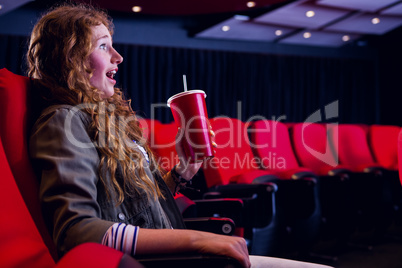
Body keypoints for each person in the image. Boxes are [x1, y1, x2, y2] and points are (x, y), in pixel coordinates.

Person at [27, 3, 332, 268]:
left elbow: (139, 210)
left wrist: (183, 170)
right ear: (71, 57)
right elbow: (77, 232)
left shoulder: (105, 120)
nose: (118, 57)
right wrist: (195, 239)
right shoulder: (62, 122)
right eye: (103, 46)